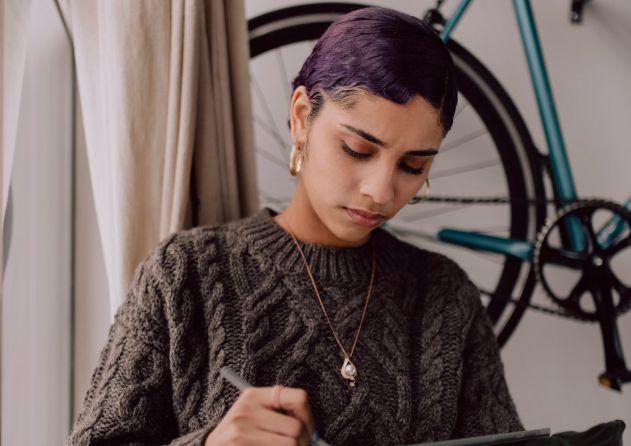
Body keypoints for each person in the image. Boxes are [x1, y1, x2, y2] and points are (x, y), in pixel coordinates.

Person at [65, 6, 524, 446]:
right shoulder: (185, 273)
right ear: (303, 117)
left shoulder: (445, 297)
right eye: (357, 150)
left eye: (413, 164)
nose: (381, 191)